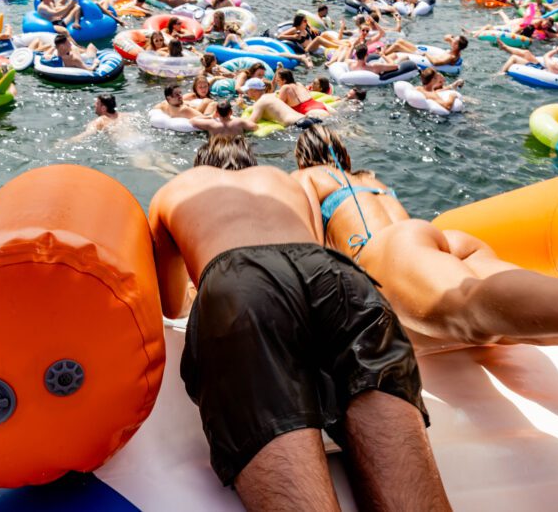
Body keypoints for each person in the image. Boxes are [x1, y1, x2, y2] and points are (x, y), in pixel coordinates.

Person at [148, 136, 448, 511]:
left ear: (199, 164)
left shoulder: (174, 190)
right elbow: (311, 256)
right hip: (338, 279)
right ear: (250, 160)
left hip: (241, 285)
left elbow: (172, 304)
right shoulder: (286, 180)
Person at [292, 124, 558, 355]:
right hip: (439, 243)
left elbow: (305, 245)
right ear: (342, 152)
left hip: (390, 254)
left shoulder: (307, 177)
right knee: (519, 329)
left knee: (473, 309)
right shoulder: (368, 178)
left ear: (302, 158)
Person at [189, 99, 258, 135]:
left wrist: (210, 116)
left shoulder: (210, 124)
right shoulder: (239, 122)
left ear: (217, 113)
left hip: (219, 149)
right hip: (236, 147)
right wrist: (235, 118)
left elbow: (192, 120)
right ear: (231, 112)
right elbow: (255, 127)